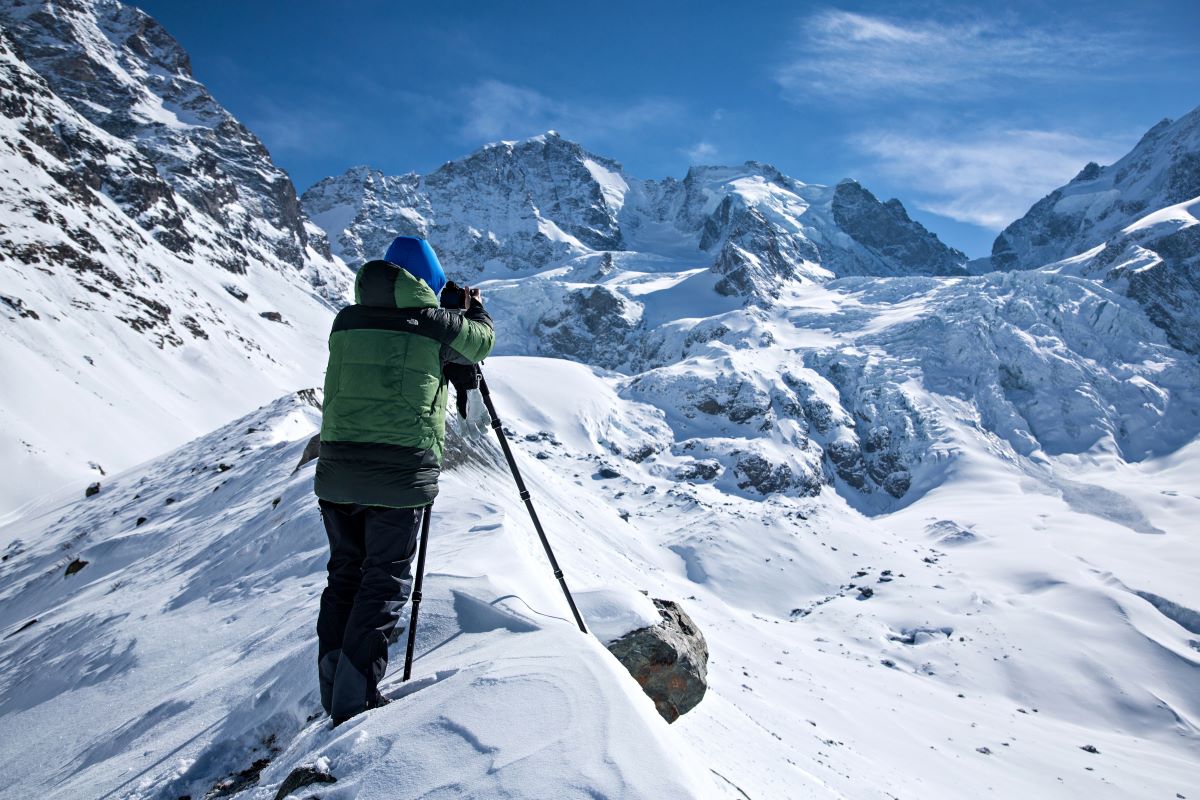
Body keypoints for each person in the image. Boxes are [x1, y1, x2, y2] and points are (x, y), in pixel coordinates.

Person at [313, 235, 495, 725]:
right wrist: (473, 311)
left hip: (337, 468)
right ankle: (355, 699)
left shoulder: (345, 319)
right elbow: (480, 343)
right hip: (397, 471)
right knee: (384, 579)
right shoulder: (434, 322)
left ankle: (335, 686)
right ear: (428, 282)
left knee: (344, 576)